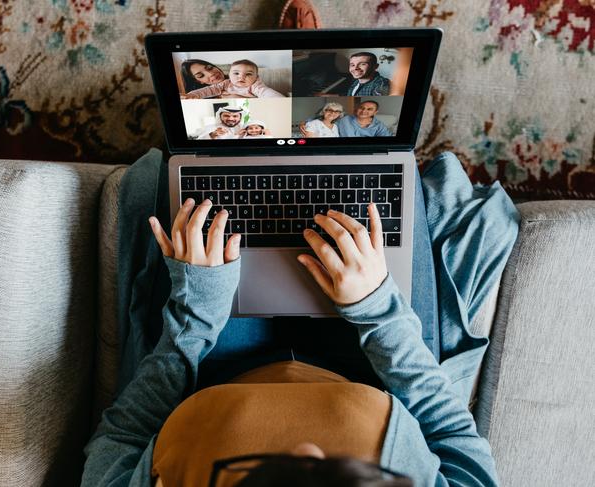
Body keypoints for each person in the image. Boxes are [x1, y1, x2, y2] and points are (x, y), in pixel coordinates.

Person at [80, 147, 520, 486]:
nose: (309, 448)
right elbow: (451, 435)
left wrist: (196, 309)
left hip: (211, 364)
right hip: (371, 370)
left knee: (210, 167)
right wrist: (377, 307)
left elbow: (123, 439)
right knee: (364, 172)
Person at [184, 59, 285, 99]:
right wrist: (193, 95)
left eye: (210, 68)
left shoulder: (254, 85)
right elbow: (209, 90)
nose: (211, 74)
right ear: (198, 81)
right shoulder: (225, 84)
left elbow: (266, 92)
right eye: (201, 75)